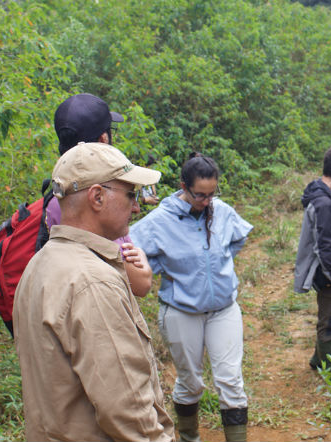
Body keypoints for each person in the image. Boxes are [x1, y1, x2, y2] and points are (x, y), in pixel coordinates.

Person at [13, 142, 174, 441]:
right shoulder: (92, 282)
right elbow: (126, 408)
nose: (137, 206)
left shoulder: (40, 264)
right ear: (97, 197)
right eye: (130, 194)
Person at [130, 153, 253, 442]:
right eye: (200, 195)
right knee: (191, 381)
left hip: (224, 309)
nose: (207, 201)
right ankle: (189, 438)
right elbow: (129, 249)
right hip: (182, 310)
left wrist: (219, 262)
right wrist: (158, 268)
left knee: (231, 382)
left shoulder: (221, 211)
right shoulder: (161, 220)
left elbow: (239, 237)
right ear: (184, 186)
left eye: (212, 194)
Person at [49, 93, 153, 297]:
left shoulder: (59, 194)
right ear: (104, 139)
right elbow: (140, 283)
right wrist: (143, 263)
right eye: (130, 196)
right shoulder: (100, 201)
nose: (135, 207)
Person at [293, 148, 331, 372]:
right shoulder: (324, 203)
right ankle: (329, 370)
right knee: (330, 319)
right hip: (327, 271)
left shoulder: (320, 193)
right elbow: (324, 247)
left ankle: (319, 358)